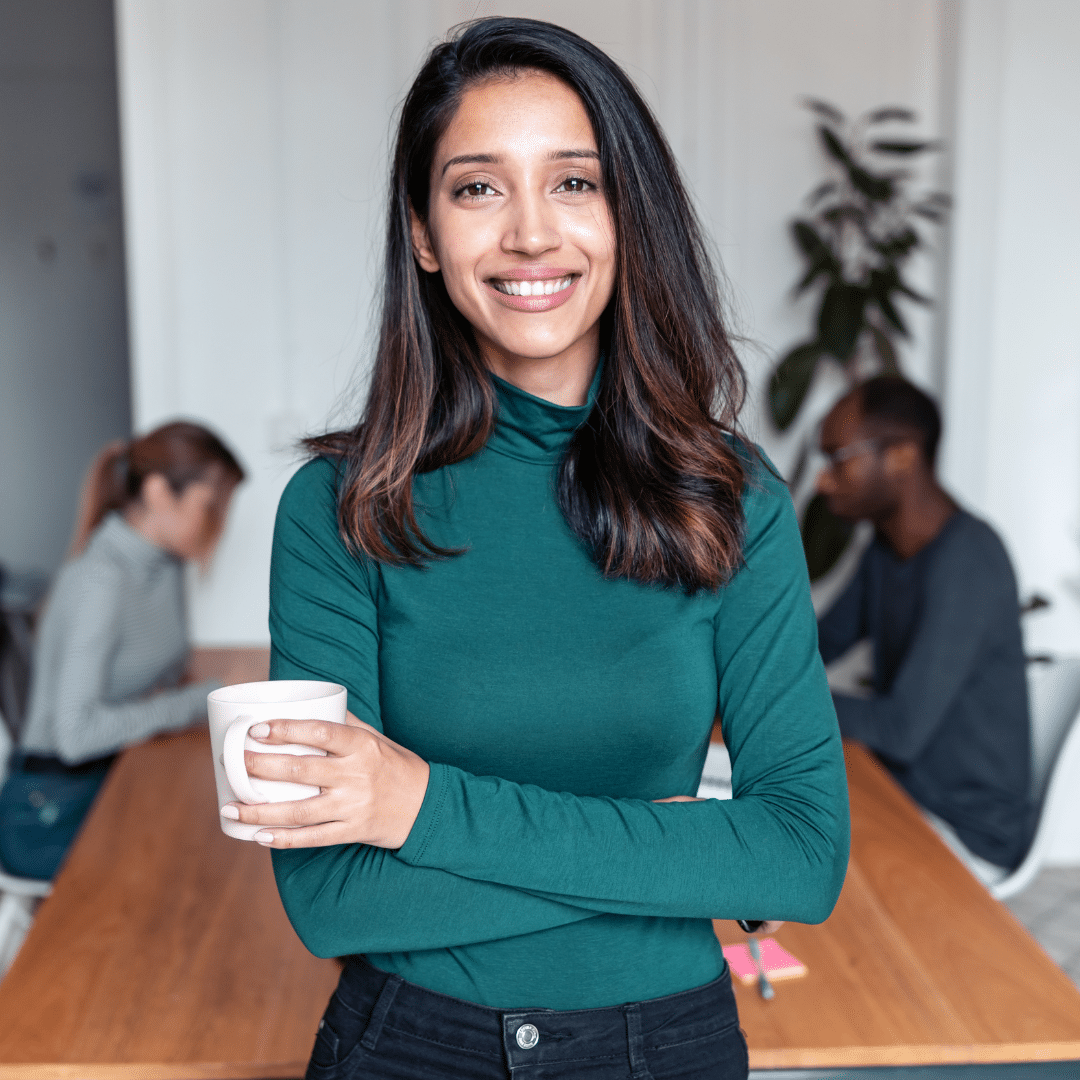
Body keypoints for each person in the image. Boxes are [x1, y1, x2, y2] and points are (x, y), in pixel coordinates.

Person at [223, 18, 849, 1080]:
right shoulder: (340, 509)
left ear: (628, 216)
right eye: (477, 188)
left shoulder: (732, 502)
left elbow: (799, 858)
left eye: (574, 183)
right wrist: (676, 848)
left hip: (667, 1048)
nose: (528, 234)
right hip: (405, 1050)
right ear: (424, 232)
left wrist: (412, 806)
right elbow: (334, 902)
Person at [0, 421, 244, 880]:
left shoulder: (164, 564)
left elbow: (164, 670)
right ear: (157, 493)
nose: (219, 525)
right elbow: (75, 737)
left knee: (211, 839)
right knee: (188, 870)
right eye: (210, 506)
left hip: (108, 774)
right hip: (48, 807)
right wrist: (199, 702)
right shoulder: (100, 582)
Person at [815, 375, 1033, 884]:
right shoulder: (886, 552)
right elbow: (815, 645)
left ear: (901, 457)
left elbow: (901, 730)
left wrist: (770, 701)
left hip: (965, 833)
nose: (823, 481)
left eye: (838, 458)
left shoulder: (970, 560)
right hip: (904, 795)